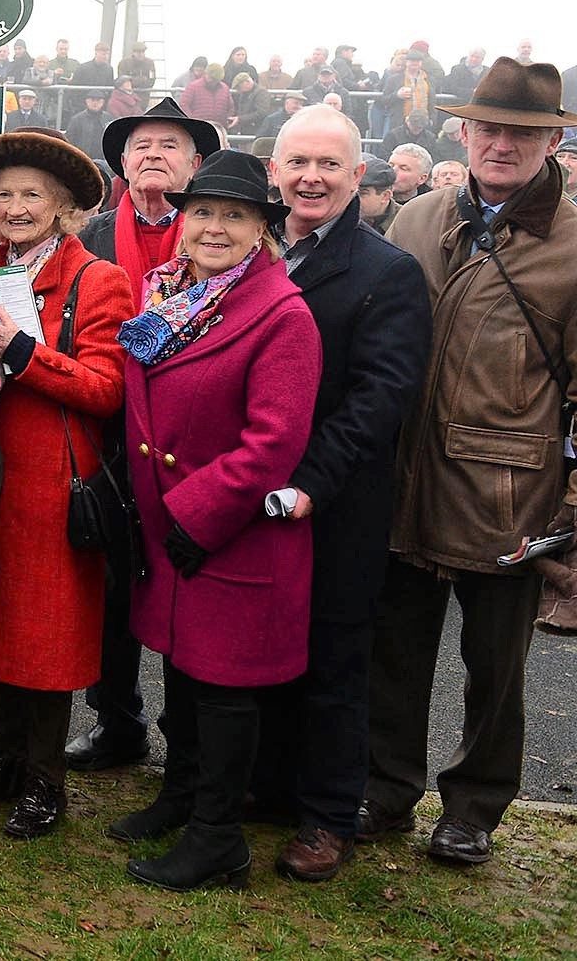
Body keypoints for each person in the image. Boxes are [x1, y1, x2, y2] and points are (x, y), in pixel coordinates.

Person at [365, 59, 577, 867]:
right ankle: (385, 790)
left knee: (495, 669)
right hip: (406, 477)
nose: (501, 143)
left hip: (511, 495)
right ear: (462, 131)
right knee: (396, 651)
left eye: (522, 131)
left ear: (552, 139)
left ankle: (477, 806)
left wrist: (571, 509)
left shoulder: (572, 244)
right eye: (488, 127)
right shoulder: (416, 217)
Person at [110, 150, 321, 890]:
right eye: (203, 211)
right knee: (181, 667)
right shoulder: (172, 296)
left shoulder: (281, 313)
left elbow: (273, 442)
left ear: (263, 229)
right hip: (173, 527)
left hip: (226, 532)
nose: (215, 227)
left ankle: (218, 836)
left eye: (236, 215)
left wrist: (193, 515)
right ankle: (181, 792)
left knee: (225, 686)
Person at [249, 107, 433, 881]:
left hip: (334, 504)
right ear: (275, 172)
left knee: (333, 662)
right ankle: (267, 789)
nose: (311, 177)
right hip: (253, 497)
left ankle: (327, 817)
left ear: (360, 176)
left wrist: (307, 486)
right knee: (260, 650)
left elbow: (380, 397)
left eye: (329, 164)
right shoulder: (247, 257)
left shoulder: (386, 271)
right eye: (298, 163)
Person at [0, 129, 129, 839]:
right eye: (4, 194)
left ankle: (46, 782)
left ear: (64, 205)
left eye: (31, 195)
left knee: (46, 638)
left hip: (52, 486)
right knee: (1, 627)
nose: (15, 207)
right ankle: (3, 762)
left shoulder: (97, 278)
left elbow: (106, 388)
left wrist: (23, 352)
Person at [67, 98, 220, 772]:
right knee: (110, 583)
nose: (153, 153)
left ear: (195, 164)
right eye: (141, 145)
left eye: (170, 144)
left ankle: (188, 734)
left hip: (192, 439)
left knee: (191, 584)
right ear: (122, 163)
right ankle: (116, 719)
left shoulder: (221, 234)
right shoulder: (91, 235)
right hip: (106, 431)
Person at [357, 155, 400, 234]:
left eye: (362, 193)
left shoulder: (404, 222)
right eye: (352, 191)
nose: (354, 198)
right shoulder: (342, 214)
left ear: (385, 196)